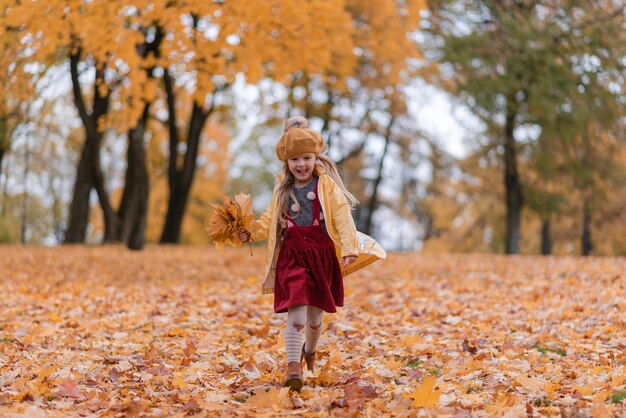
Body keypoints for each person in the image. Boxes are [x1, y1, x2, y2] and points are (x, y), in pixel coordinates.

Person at [238, 116, 386, 391]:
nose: (301, 164)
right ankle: (293, 368)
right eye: (295, 160)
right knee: (296, 312)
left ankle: (310, 351)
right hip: (293, 256)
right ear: (287, 163)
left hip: (321, 255)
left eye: (307, 158)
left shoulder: (326, 187)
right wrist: (250, 233)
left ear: (316, 158)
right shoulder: (282, 190)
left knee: (315, 320)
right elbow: (268, 223)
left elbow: (341, 217)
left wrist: (350, 248)